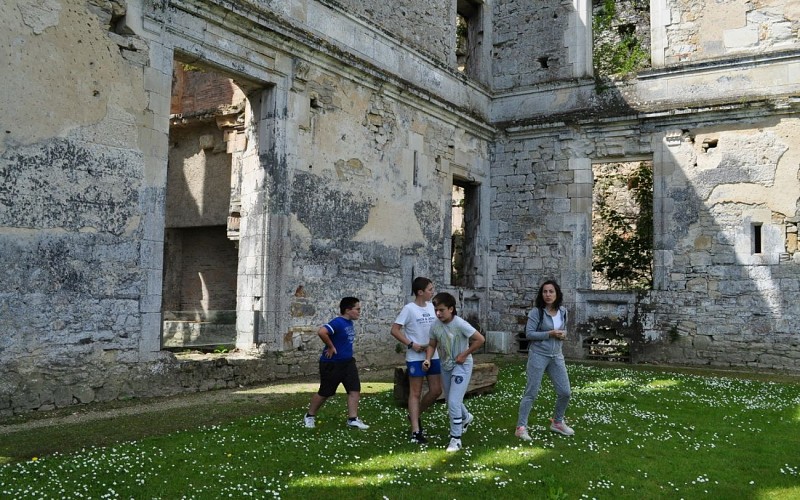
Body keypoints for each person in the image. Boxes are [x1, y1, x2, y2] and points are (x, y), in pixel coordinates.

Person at [424, 292, 485, 452]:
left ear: (451, 309)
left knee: (452, 402)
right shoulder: (435, 325)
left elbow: (480, 339)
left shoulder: (460, 324)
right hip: (445, 366)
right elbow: (431, 344)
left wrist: (464, 354)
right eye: (436, 310)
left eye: (442, 310)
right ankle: (466, 417)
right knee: (452, 399)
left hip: (462, 366)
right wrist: (428, 359)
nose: (438, 313)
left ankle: (456, 439)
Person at [515, 280, 574, 441]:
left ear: (557, 294)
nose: (548, 295)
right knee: (531, 392)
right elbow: (529, 334)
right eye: (545, 292)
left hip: (556, 356)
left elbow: (564, 329)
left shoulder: (562, 311)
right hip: (538, 355)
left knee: (565, 392)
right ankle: (521, 427)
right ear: (541, 295)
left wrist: (563, 334)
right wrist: (550, 333)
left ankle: (557, 422)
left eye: (551, 291)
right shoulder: (536, 312)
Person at [303, 297, 370, 430]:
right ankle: (309, 416)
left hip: (348, 363)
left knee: (354, 390)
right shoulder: (338, 322)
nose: (359, 312)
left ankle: (353, 419)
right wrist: (330, 346)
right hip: (332, 364)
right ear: (347, 310)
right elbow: (322, 332)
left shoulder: (349, 323)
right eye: (357, 309)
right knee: (325, 392)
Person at [391, 277, 442, 444]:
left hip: (432, 355)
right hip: (415, 357)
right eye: (430, 289)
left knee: (436, 390)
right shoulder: (409, 309)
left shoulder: (432, 307)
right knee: (415, 392)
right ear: (420, 292)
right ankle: (415, 431)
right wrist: (411, 344)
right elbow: (395, 330)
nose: (432, 292)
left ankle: (414, 414)